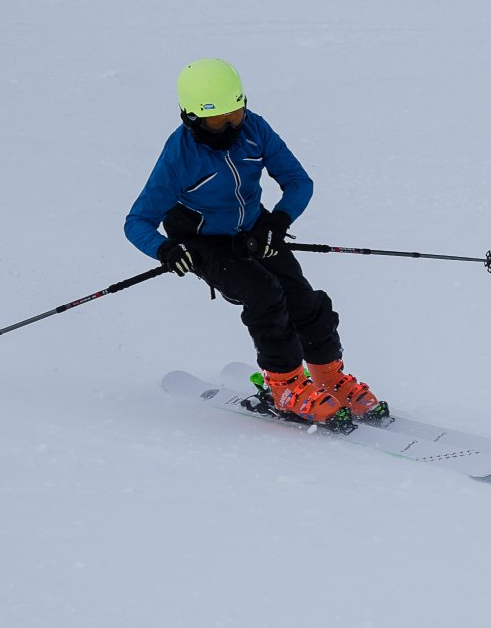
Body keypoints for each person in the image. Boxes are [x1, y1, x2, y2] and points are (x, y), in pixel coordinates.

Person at [125, 58, 384, 429]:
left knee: (302, 297)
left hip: (252, 228)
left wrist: (277, 223)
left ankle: (328, 376)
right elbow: (137, 222)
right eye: (218, 120)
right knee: (264, 294)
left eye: (236, 112)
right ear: (192, 119)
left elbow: (298, 182)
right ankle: (285, 387)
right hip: (202, 240)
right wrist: (165, 250)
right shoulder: (178, 158)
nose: (231, 125)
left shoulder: (254, 128)